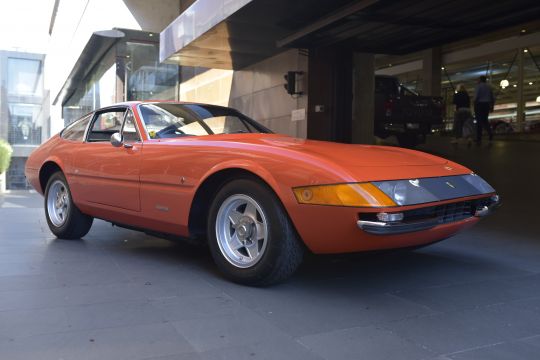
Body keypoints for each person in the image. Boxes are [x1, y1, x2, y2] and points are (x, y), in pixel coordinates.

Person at [474, 75, 495, 145]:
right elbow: (492, 97)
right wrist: (492, 107)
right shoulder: (489, 87)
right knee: (485, 120)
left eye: (478, 79)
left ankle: (478, 138)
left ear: (480, 80)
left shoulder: (478, 86)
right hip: (487, 105)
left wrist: (474, 104)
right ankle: (490, 133)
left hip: (479, 104)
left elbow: (476, 96)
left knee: (479, 121)